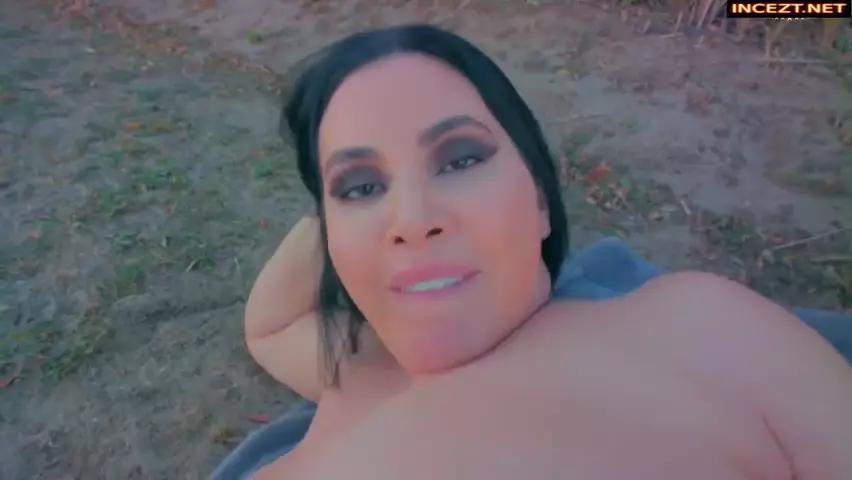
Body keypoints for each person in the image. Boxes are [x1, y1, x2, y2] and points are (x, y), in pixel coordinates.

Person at [243, 24, 852, 479]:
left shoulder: (697, 328)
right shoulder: (359, 365)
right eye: (359, 187)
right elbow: (268, 327)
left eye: (461, 159)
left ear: (539, 197)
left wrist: (360, 197)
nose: (413, 222)